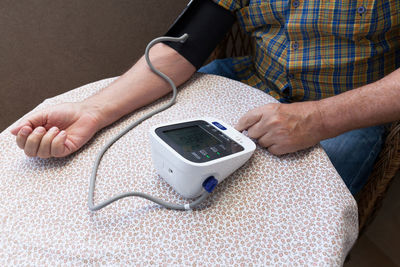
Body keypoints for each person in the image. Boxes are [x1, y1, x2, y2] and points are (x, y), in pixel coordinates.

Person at [10, 0, 400, 196]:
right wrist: (92, 111)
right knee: (133, 150)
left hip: (345, 110)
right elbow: (184, 47)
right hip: (250, 78)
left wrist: (319, 119)